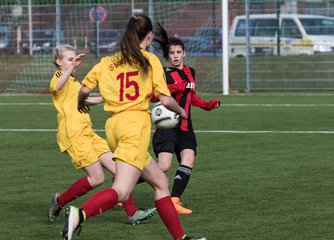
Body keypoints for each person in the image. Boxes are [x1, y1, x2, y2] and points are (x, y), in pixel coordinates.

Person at [61, 15, 206, 240]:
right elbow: (166, 100)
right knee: (122, 190)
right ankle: (79, 214)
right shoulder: (149, 60)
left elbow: (84, 91)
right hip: (134, 127)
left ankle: (182, 238)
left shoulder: (107, 61)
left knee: (160, 183)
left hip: (114, 128)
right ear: (149, 36)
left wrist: (82, 104)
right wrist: (181, 112)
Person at [48, 44, 157, 226]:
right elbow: (56, 87)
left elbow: (84, 100)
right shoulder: (60, 76)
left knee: (118, 170)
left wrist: (107, 97)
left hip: (88, 133)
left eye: (75, 58)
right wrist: (71, 69)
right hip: (73, 135)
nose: (74, 62)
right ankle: (59, 201)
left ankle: (132, 212)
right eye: (69, 59)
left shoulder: (74, 81)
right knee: (97, 178)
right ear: (59, 62)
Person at [152, 25, 220, 214]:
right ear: (167, 56)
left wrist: (207, 105)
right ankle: (124, 187)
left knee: (188, 159)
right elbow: (153, 96)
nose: (175, 56)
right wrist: (172, 89)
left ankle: (174, 200)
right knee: (163, 166)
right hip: (166, 125)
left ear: (184, 53)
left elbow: (192, 96)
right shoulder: (164, 74)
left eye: (178, 52)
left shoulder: (191, 72)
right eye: (171, 53)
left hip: (185, 126)